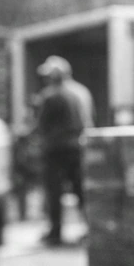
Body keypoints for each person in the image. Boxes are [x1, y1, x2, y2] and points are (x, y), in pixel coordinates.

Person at [34, 56, 93, 245]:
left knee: (54, 192)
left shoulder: (50, 96)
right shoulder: (78, 94)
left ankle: (55, 232)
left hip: (56, 151)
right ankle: (90, 228)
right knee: (80, 190)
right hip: (77, 148)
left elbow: (42, 125)